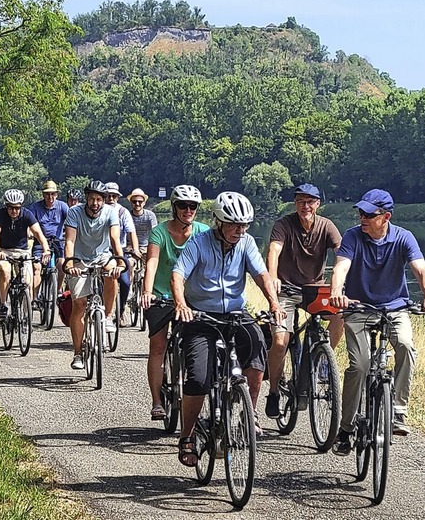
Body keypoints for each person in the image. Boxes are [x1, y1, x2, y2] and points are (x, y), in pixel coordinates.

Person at [171, 192, 285, 466]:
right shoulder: (199, 242)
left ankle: (250, 413)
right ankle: (187, 435)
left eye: (244, 225)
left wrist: (274, 304)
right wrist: (181, 304)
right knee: (198, 377)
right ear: (218, 222)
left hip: (234, 313)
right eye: (233, 224)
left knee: (258, 342)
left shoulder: (246, 243)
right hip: (201, 317)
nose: (239, 230)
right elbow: (178, 274)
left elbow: (262, 275)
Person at [329, 189, 425, 455]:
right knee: (359, 365)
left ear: (386, 216)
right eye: (360, 212)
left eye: (369, 214)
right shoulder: (353, 236)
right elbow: (340, 268)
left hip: (394, 308)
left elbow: (421, 270)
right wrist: (337, 292)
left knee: (405, 345)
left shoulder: (404, 238)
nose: (362, 218)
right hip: (358, 307)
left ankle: (398, 411)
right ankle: (345, 428)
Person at [264, 183, 343, 419]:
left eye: (310, 202)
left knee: (340, 314)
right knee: (280, 342)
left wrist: (341, 278)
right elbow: (274, 251)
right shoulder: (284, 225)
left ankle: (323, 360)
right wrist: (272, 278)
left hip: (313, 290)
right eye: (300, 201)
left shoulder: (326, 226)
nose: (305, 206)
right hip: (285, 289)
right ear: (295, 204)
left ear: (318, 204)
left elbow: (343, 253)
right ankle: (274, 391)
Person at [141, 185, 209, 421]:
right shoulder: (160, 232)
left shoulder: (203, 232)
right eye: (183, 205)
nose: (188, 210)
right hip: (162, 295)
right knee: (158, 346)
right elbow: (152, 262)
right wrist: (147, 291)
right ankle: (157, 401)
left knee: (197, 347)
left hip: (191, 298)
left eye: (192, 206)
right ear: (174, 207)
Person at [63, 181, 125, 370]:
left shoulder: (110, 212)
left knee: (113, 272)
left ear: (104, 200)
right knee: (79, 305)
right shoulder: (74, 212)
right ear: (86, 199)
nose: (95, 203)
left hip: (102, 256)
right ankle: (78, 353)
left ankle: (107, 316)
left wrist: (121, 260)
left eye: (99, 199)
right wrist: (70, 263)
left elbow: (114, 238)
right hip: (79, 259)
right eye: (92, 199)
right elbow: (70, 240)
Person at [0, 189, 51, 320]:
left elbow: (39, 234)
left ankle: (24, 316)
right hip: (4, 250)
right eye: (11, 208)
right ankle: (3, 304)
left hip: (22, 251)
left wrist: (46, 250)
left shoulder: (27, 214)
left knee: (28, 282)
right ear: (6, 206)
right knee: (5, 272)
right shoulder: (0, 215)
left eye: (17, 208)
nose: (14, 211)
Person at [105, 181, 140, 327]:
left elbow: (131, 233)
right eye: (108, 196)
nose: (111, 199)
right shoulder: (99, 211)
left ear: (118, 197)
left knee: (125, 282)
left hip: (120, 251)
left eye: (114, 196)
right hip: (103, 252)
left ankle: (120, 311)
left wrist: (136, 249)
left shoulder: (122, 212)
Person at [27, 180, 69, 298]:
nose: (50, 197)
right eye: (47, 194)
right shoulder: (35, 207)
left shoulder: (62, 206)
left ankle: (57, 291)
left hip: (58, 241)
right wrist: (29, 232)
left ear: (56, 194)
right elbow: (28, 222)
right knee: (37, 267)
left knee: (62, 266)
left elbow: (71, 221)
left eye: (53, 194)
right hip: (40, 242)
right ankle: (34, 297)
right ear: (43, 195)